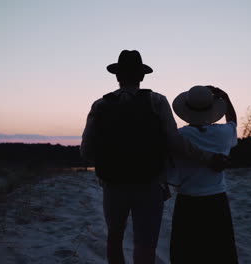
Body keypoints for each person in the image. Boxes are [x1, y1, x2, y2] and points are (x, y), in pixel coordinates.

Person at [80, 50, 228, 264]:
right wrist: (207, 158)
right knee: (145, 244)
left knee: (114, 238)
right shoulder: (156, 101)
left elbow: (86, 151)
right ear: (142, 76)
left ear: (117, 76)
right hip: (149, 183)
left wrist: (109, 164)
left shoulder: (100, 105)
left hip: (113, 184)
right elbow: (174, 141)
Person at [168, 85, 239, 263]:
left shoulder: (180, 136)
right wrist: (227, 99)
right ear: (212, 109)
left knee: (186, 254)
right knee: (221, 253)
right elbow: (233, 123)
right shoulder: (223, 134)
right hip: (217, 200)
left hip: (188, 201)